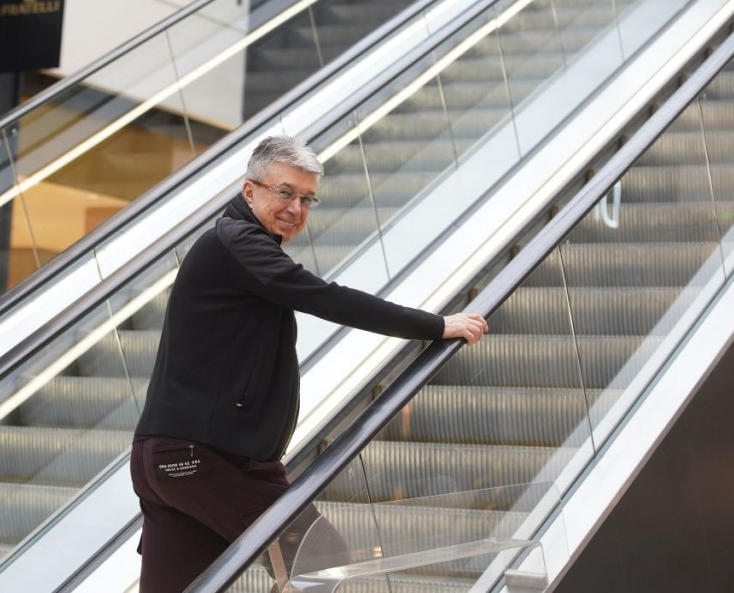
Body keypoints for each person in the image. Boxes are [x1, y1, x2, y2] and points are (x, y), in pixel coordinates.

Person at [130, 135, 488, 591]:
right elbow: (325, 297)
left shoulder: (235, 247)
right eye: (285, 192)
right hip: (205, 458)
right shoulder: (236, 242)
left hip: (168, 457)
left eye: (307, 199)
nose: (296, 208)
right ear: (249, 191)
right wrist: (435, 325)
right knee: (321, 561)